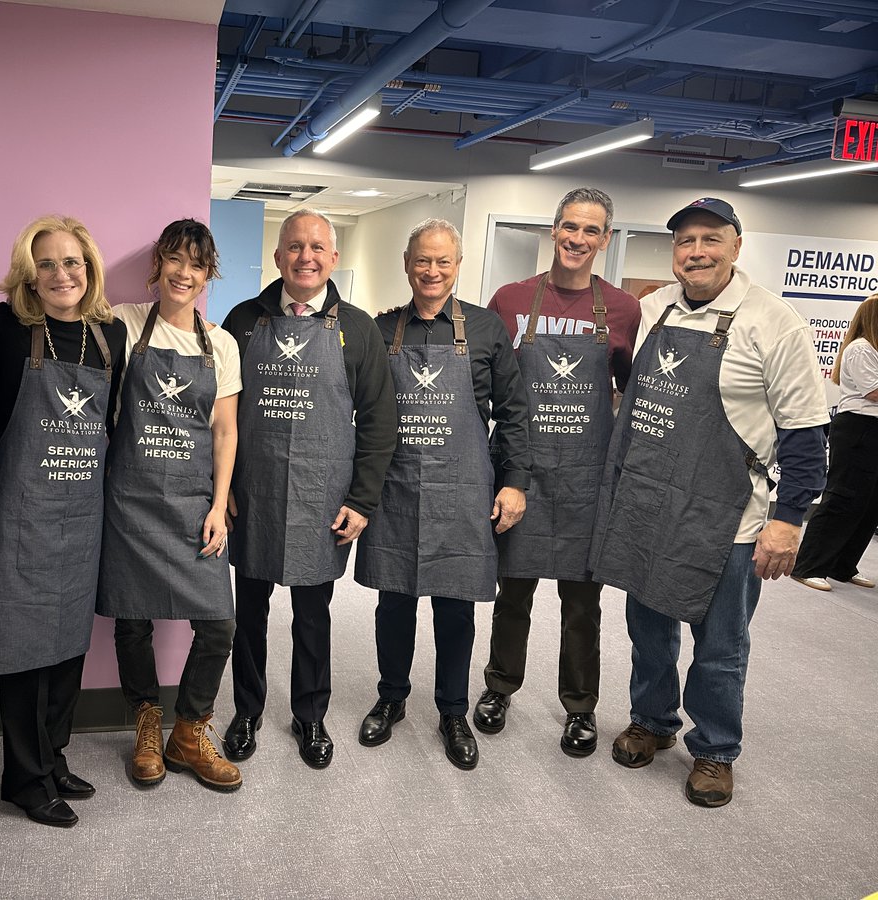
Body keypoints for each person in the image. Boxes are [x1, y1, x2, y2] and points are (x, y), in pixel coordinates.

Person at [590, 198, 828, 807]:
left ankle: (716, 749)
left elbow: (805, 435)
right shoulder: (651, 310)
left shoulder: (775, 324)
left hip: (730, 516)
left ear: (736, 247)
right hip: (648, 502)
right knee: (649, 630)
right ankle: (653, 720)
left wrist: (788, 521)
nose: (696, 252)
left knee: (720, 644)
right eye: (685, 242)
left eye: (710, 240)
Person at [222, 209, 396, 769]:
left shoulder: (359, 327)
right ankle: (246, 710)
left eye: (317, 247)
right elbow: (220, 414)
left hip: (323, 498)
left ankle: (310, 715)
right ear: (277, 257)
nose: (306, 257)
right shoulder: (243, 320)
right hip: (253, 492)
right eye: (295, 246)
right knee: (247, 614)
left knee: (312, 614)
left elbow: (378, 421)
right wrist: (220, 489)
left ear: (334, 258)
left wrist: (361, 500)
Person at [354, 219, 530, 770]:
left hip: (462, 492)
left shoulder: (485, 330)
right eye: (422, 261)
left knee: (456, 606)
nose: (432, 272)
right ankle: (391, 696)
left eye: (443, 263)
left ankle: (453, 710)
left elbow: (515, 413)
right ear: (407, 265)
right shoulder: (382, 331)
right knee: (395, 600)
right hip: (397, 488)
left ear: (457, 267)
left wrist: (514, 481)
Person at [476, 188, 641, 757]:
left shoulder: (622, 309)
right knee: (512, 592)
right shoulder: (511, 299)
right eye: (570, 227)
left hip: (583, 479)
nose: (578, 239)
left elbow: (625, 392)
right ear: (553, 231)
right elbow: (493, 384)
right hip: (521, 469)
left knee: (582, 603)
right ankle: (500, 687)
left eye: (591, 231)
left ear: (605, 240)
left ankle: (580, 706)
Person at [0, 215, 127, 828]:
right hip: (24, 511)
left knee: (69, 642)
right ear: (28, 274)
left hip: (83, 510)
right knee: (23, 645)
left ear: (88, 269)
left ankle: (54, 757)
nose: (61, 273)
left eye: (73, 262)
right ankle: (23, 776)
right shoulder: (6, 327)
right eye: (47, 263)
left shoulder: (110, 335)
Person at [96, 219, 243, 792]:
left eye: (197, 264)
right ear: (158, 266)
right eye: (175, 261)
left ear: (208, 274)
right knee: (133, 622)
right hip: (130, 500)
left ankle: (190, 727)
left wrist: (218, 505)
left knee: (218, 625)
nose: (185, 273)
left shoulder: (221, 344)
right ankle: (146, 723)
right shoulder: (124, 324)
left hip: (192, 503)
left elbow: (225, 433)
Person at [792, 293, 878, 592]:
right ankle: (808, 565)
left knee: (870, 504)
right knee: (843, 498)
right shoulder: (860, 348)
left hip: (873, 430)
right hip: (860, 428)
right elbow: (873, 392)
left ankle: (843, 564)